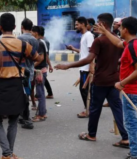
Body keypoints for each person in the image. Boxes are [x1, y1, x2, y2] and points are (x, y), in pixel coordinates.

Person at [55, 13, 129, 147]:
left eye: (98, 22)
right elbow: (120, 60)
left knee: (95, 109)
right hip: (114, 80)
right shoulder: (117, 40)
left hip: (100, 81)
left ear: (104, 25)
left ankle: (92, 134)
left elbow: (89, 59)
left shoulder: (99, 40)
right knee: (117, 108)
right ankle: (125, 137)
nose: (95, 25)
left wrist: (67, 66)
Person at [96, 16, 137, 159]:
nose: (118, 29)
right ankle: (136, 146)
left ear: (125, 29)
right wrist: (106, 32)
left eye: (120, 27)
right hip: (136, 88)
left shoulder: (132, 46)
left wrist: (122, 83)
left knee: (130, 123)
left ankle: (135, 153)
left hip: (132, 90)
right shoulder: (134, 42)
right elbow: (118, 43)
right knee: (131, 121)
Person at [0, 13, 38, 159]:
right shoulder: (23, 44)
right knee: (13, 122)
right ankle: (8, 153)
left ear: (0, 27)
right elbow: (37, 58)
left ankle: (7, 154)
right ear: (15, 27)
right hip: (17, 85)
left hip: (0, 85)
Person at [65, 17, 95, 118]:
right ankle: (88, 109)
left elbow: (92, 52)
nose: (75, 26)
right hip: (83, 68)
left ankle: (88, 110)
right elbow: (84, 52)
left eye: (77, 24)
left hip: (86, 68)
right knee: (84, 89)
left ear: (83, 24)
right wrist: (73, 49)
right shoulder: (84, 36)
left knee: (84, 90)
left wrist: (91, 66)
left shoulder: (89, 36)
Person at [18, 18, 39, 130]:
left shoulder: (19, 39)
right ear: (31, 28)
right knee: (26, 93)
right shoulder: (35, 40)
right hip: (30, 71)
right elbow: (35, 57)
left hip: (20, 71)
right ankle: (23, 116)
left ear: (22, 27)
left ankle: (26, 118)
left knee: (22, 95)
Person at [31, 26, 48, 122]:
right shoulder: (39, 42)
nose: (31, 34)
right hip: (40, 71)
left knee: (40, 93)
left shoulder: (39, 43)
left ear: (36, 33)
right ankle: (42, 112)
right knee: (40, 92)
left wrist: (32, 66)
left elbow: (41, 58)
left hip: (39, 72)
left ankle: (41, 114)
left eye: (32, 32)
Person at [39, 26, 54, 99]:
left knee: (42, 79)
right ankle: (49, 93)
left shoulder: (44, 41)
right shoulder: (42, 40)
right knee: (43, 79)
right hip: (43, 62)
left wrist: (49, 65)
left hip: (43, 63)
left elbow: (46, 54)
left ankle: (49, 93)